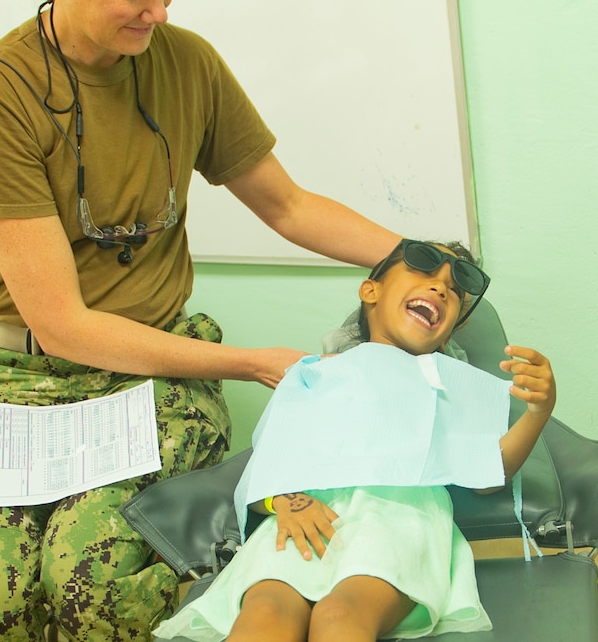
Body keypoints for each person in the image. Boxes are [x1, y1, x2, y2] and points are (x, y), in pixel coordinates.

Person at [0, 0, 402, 642]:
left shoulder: (187, 65)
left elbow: (283, 204)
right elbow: (64, 324)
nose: (161, 9)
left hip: (143, 375)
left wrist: (417, 258)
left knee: (94, 592)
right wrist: (252, 362)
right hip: (15, 381)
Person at [153, 239, 556, 641]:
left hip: (399, 518)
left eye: (453, 290)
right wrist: (285, 502)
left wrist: (539, 412)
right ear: (370, 291)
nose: (440, 288)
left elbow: (487, 474)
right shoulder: (313, 374)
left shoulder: (447, 383)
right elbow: (267, 468)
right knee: (263, 616)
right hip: (303, 517)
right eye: (424, 271)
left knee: (340, 617)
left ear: (452, 327)